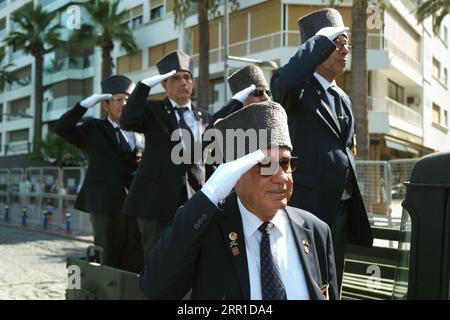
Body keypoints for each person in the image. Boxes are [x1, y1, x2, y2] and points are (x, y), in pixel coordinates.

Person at [140, 101, 338, 300]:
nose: (282, 177)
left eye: (285, 163)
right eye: (266, 165)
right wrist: (209, 194)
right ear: (235, 174)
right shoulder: (207, 230)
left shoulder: (315, 230)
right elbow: (155, 288)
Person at [270, 8, 373, 290]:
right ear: (316, 48)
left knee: (333, 280)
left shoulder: (342, 97)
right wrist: (321, 39)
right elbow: (285, 80)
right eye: (336, 44)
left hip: (340, 207)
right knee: (303, 281)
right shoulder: (296, 89)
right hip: (308, 205)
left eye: (346, 44)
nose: (345, 50)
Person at [120, 51, 212, 255]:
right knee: (156, 256)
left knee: (190, 254)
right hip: (155, 201)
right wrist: (144, 86)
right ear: (164, 84)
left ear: (193, 83)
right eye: (175, 78)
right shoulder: (152, 109)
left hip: (192, 199)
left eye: (187, 77)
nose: (182, 82)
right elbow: (127, 120)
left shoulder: (204, 116)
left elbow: (209, 159)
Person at [54, 75, 144, 273]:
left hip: (135, 205)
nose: (124, 103)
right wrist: (84, 105)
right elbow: (61, 128)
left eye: (128, 99)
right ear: (106, 105)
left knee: (135, 258)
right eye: (118, 99)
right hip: (105, 205)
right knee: (107, 258)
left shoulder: (140, 132)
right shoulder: (93, 128)